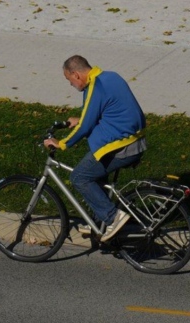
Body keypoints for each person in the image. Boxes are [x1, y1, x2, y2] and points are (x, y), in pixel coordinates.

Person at [43, 55, 147, 241]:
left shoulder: (95, 87)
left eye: (69, 80)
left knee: (79, 177)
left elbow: (85, 127)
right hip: (135, 140)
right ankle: (98, 220)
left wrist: (62, 143)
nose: (71, 84)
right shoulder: (110, 77)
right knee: (95, 175)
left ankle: (112, 217)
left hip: (121, 147)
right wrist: (79, 120)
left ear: (76, 74)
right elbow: (101, 111)